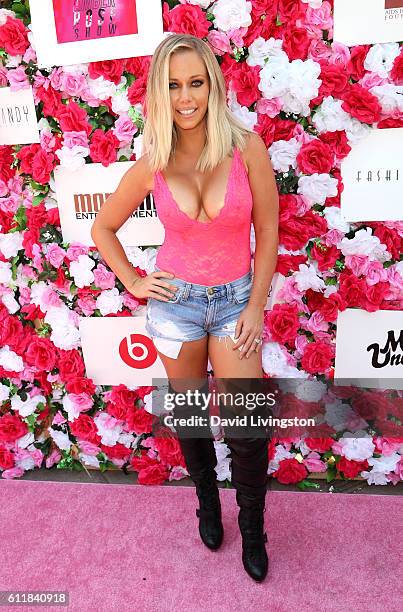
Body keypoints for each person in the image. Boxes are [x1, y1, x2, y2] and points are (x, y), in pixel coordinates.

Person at [91, 33, 279, 582]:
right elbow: (104, 227)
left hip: (235, 301)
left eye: (196, 82)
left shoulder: (247, 149)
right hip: (176, 307)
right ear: (158, 92)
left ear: (213, 86)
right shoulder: (153, 159)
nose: (186, 96)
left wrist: (255, 306)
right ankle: (206, 502)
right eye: (173, 85)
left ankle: (253, 529)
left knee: (247, 424)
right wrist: (133, 279)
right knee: (192, 415)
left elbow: (267, 230)